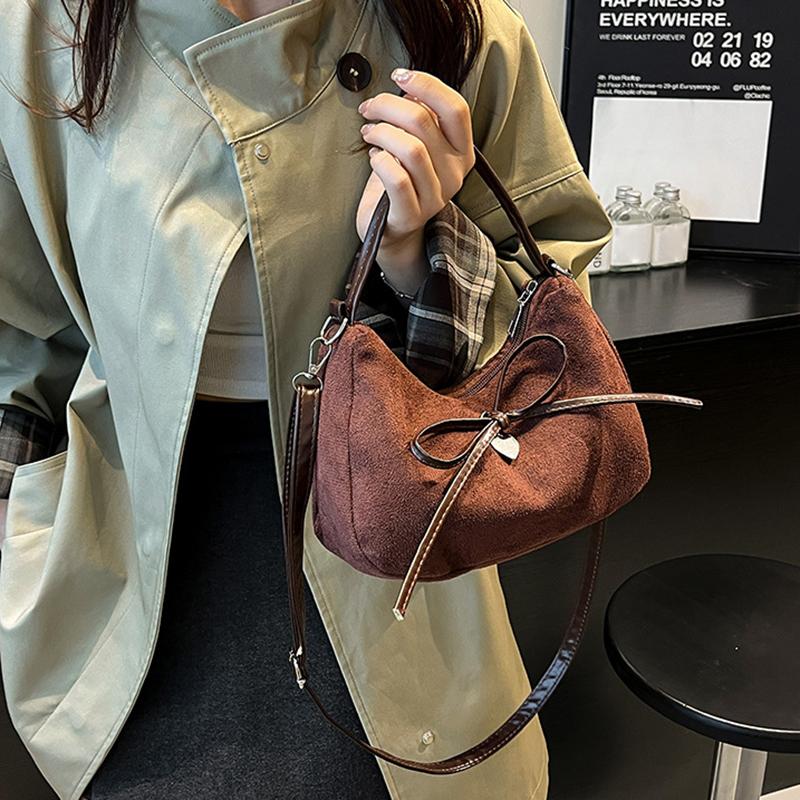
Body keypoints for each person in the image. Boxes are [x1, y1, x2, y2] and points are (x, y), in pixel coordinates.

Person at [0, 0, 612, 798]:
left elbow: (552, 326)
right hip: (127, 537)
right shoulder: (42, 33)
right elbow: (22, 332)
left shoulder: (457, 27)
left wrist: (419, 253)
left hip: (390, 535)